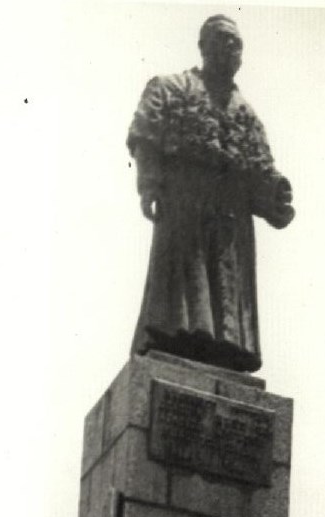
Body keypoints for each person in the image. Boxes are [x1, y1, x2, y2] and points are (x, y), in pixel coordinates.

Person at [127, 15, 294, 372]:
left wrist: (276, 196)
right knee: (183, 289)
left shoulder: (246, 114)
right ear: (203, 46)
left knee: (226, 289)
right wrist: (149, 183)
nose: (230, 49)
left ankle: (225, 347)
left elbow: (262, 170)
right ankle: (177, 338)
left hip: (231, 217)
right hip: (185, 201)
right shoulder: (171, 87)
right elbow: (146, 136)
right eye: (222, 40)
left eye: (237, 44)